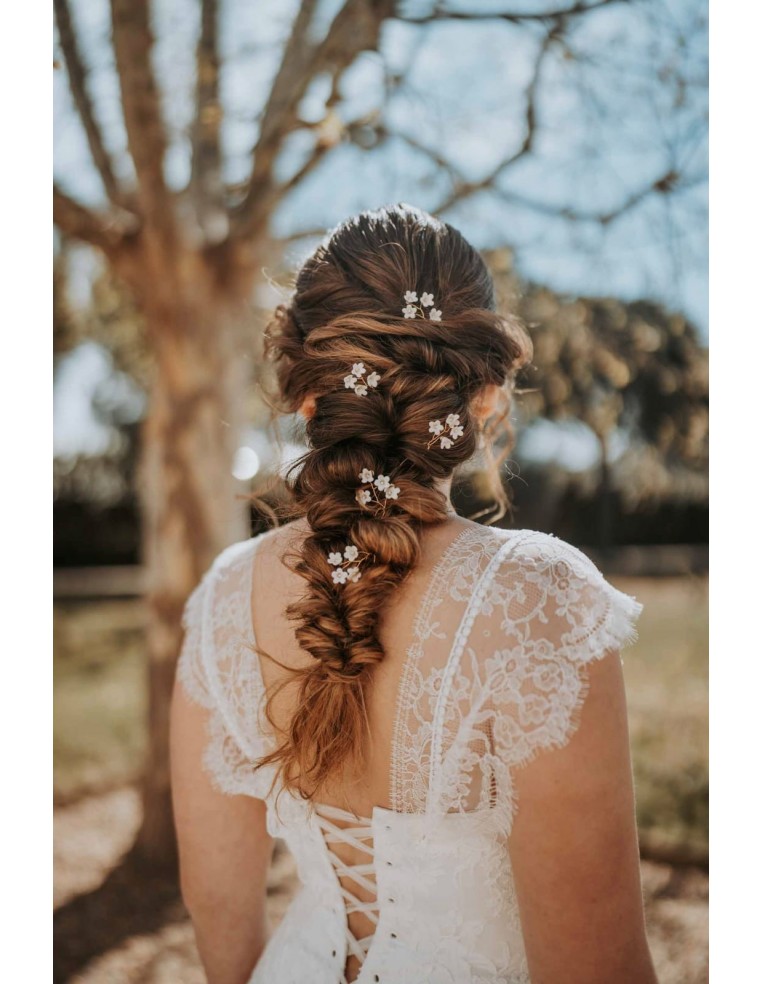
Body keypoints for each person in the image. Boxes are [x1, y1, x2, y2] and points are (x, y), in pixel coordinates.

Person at [170, 203, 658, 984]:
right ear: (489, 394)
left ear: (305, 395)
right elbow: (599, 968)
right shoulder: (536, 599)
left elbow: (217, 906)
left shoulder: (225, 596)